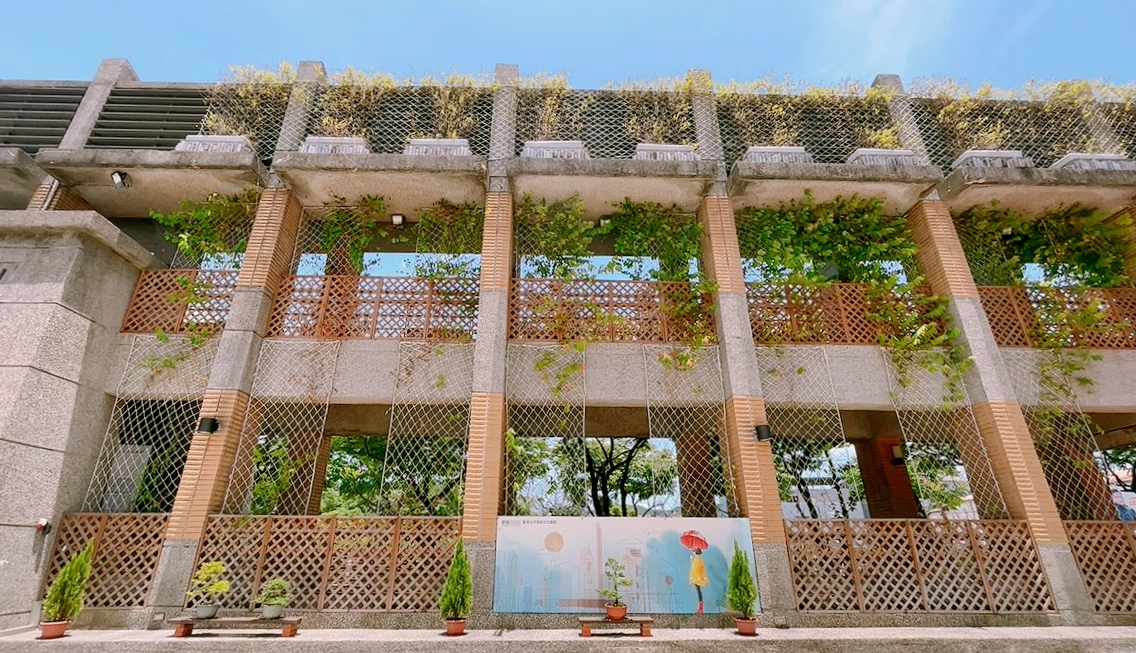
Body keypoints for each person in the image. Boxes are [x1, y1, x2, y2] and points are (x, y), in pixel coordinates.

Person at [689, 547, 708, 615]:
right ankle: (700, 609)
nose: (694, 550)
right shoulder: (696, 558)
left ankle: (700, 609)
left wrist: (692, 559)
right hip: (696, 577)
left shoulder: (698, 558)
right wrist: (691, 559)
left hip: (697, 578)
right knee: (698, 591)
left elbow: (696, 567)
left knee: (698, 592)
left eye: (695, 550)